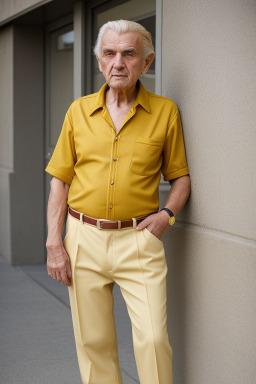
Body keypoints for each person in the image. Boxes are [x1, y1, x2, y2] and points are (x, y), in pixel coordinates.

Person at [45, 19, 191, 384]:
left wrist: (166, 216)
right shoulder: (78, 112)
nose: (118, 63)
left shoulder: (165, 112)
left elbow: (181, 178)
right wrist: (54, 242)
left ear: (147, 62)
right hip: (82, 239)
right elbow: (59, 182)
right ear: (99, 61)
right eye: (109, 53)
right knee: (93, 344)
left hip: (138, 240)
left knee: (154, 340)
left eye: (129, 53)